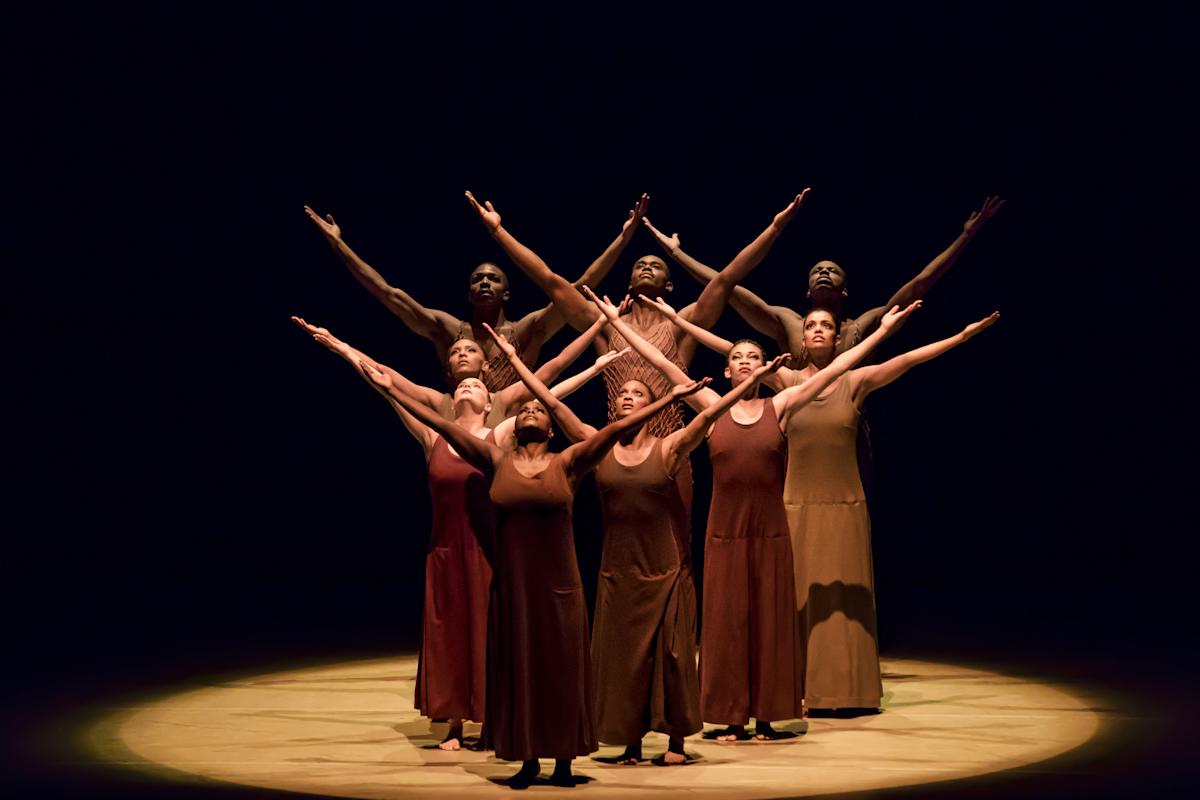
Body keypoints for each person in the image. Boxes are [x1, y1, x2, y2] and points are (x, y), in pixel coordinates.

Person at [360, 326, 707, 790]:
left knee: (560, 672)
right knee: (519, 670)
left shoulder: (568, 462)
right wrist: (394, 394)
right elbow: (443, 427)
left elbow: (619, 428)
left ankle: (563, 760)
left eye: (537, 410)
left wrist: (670, 399)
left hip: (561, 590)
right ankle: (525, 758)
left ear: (549, 425)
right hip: (513, 588)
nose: (529, 411)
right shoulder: (494, 460)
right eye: (523, 408)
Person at [585, 288, 919, 741]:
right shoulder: (710, 407)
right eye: (737, 356)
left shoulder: (779, 405)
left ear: (766, 368)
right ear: (725, 368)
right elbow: (662, 364)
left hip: (770, 532)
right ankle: (731, 717)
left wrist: (883, 331)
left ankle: (766, 717)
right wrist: (618, 324)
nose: (744, 361)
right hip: (724, 532)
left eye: (752, 356)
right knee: (727, 626)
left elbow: (838, 368)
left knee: (769, 623)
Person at [291, 318, 624, 751]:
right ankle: (451, 723)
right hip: (444, 551)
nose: (466, 389)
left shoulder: (497, 436)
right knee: (449, 635)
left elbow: (550, 395)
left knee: (487, 634)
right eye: (460, 387)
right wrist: (339, 344)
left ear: (489, 402)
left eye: (476, 388)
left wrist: (597, 368)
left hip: (487, 549)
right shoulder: (433, 435)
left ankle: (491, 721)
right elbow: (383, 384)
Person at [782, 307, 1000, 715]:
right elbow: (731, 354)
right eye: (810, 325)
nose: (817, 330)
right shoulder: (786, 382)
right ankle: (796, 689)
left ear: (836, 339)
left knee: (847, 602)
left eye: (826, 326)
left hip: (845, 506)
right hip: (796, 504)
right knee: (797, 599)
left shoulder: (856, 381)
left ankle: (848, 692)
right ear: (801, 339)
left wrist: (960, 338)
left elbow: (908, 360)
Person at [465, 190, 811, 436]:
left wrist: (775, 228)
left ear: (669, 285)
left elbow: (728, 277)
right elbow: (551, 282)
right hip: (617, 440)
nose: (646, 267)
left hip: (672, 441)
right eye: (640, 264)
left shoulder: (682, 324)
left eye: (655, 266)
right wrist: (498, 231)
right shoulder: (604, 323)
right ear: (629, 282)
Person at [303, 194, 649, 392]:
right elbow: (388, 294)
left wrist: (624, 238)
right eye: (478, 278)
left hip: (515, 435)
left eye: (493, 279)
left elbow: (574, 288)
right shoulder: (449, 330)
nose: (485, 282)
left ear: (507, 294)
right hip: (460, 429)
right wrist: (339, 244)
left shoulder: (527, 330)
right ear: (469, 293)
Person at [291, 312, 625, 429]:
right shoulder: (438, 402)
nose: (462, 355)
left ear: (486, 364)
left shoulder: (504, 399)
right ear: (448, 366)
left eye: (469, 350)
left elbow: (556, 367)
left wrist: (598, 324)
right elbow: (383, 374)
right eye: (455, 352)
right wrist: (338, 344)